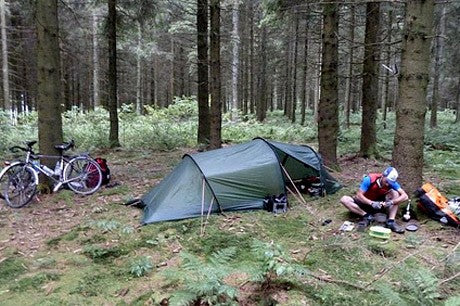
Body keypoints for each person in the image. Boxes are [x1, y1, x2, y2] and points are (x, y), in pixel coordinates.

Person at [340, 167, 408, 233]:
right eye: (387, 181)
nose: (387, 184)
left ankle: (391, 221)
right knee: (344, 199)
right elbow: (359, 195)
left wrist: (391, 202)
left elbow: (405, 196)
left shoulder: (392, 184)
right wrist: (371, 203)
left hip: (379, 204)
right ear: (383, 176)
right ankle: (367, 216)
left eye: (390, 183)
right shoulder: (370, 179)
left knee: (396, 194)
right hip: (364, 202)